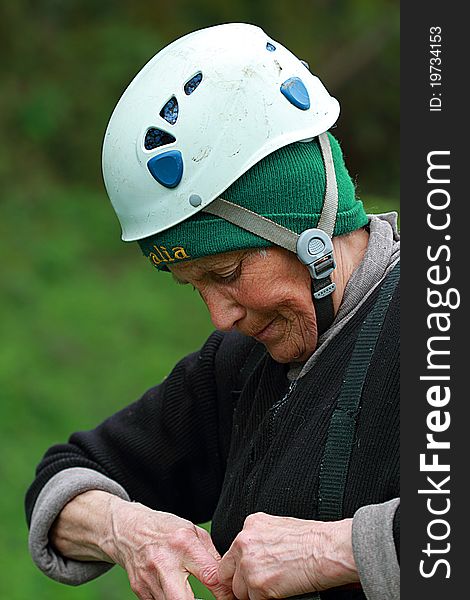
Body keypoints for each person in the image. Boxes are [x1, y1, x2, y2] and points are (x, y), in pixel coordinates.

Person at [25, 23, 399, 600]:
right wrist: (126, 529)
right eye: (192, 285)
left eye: (225, 274)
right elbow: (68, 475)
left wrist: (341, 548)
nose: (220, 318)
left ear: (308, 226)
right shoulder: (239, 365)